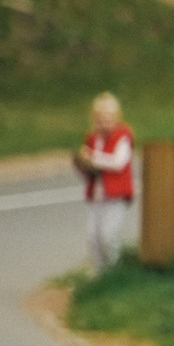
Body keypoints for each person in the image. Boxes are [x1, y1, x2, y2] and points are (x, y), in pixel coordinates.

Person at [74, 92, 135, 273]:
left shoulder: (123, 137)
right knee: (93, 236)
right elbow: (90, 167)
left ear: (116, 118)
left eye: (108, 119)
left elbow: (118, 163)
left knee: (108, 235)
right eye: (100, 120)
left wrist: (94, 158)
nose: (104, 124)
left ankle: (114, 269)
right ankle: (98, 271)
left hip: (116, 194)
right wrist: (83, 163)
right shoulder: (93, 139)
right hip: (97, 194)